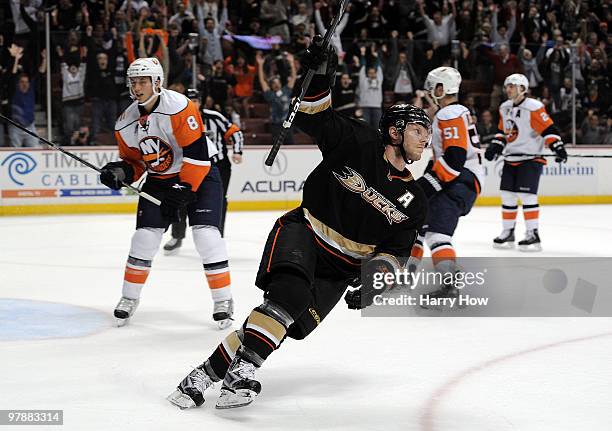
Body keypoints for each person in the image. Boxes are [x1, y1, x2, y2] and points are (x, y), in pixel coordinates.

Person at [167, 38, 430, 410]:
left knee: (279, 324)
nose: (426, 137)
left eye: (428, 132)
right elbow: (313, 114)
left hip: (340, 270)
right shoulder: (357, 140)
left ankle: (201, 376)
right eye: (418, 130)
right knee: (287, 298)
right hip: (304, 232)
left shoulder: (416, 201)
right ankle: (240, 374)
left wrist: (376, 282)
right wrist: (319, 72)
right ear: (394, 131)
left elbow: (396, 252)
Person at [98, 57, 234, 329]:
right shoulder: (125, 123)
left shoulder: (180, 107)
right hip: (161, 179)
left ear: (157, 82)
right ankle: (129, 297)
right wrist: (121, 172)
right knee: (143, 238)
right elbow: (136, 162)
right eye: (133, 82)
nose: (137, 87)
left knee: (206, 236)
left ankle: (224, 300)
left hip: (201, 174)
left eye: (143, 81)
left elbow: (197, 156)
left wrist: (183, 189)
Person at [407, 67, 484, 299]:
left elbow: (455, 159)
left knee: (438, 234)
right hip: (462, 180)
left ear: (441, 89)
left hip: (460, 181)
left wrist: (424, 187)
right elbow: (447, 159)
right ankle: (406, 271)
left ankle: (450, 285)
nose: (429, 92)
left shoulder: (448, 114)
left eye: (432, 87)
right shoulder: (455, 113)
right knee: (420, 222)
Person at [485, 73, 567, 251]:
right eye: (507, 86)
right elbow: (503, 132)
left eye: (512, 86)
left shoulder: (534, 107)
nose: (508, 89)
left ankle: (533, 234)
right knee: (508, 196)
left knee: (528, 197)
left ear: (522, 89)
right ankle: (508, 232)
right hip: (510, 158)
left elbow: (548, 129)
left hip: (530, 159)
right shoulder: (504, 107)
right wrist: (495, 146)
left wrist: (557, 147)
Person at [163, 88, 244, 253]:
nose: (193, 103)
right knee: (182, 197)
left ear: (201, 102)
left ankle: (216, 236)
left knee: (219, 200)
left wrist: (237, 151)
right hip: (188, 164)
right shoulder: (176, 118)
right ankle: (177, 236)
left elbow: (235, 132)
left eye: (196, 100)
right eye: (189, 100)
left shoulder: (214, 117)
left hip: (218, 165)